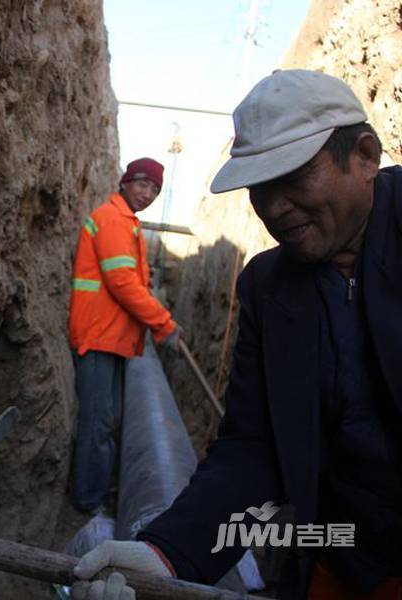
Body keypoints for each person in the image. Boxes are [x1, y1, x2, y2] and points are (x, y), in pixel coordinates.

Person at [71, 69, 402, 600]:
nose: (273, 207)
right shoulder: (271, 287)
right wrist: (166, 552)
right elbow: (256, 446)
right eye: (259, 187)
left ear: (364, 156)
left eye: (293, 176)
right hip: (340, 563)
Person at [68, 157, 181, 513]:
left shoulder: (126, 222)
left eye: (154, 189)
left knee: (107, 420)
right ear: (125, 182)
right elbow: (123, 284)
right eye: (142, 184)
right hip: (99, 337)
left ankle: (97, 491)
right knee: (99, 423)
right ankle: (88, 500)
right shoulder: (114, 220)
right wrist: (164, 324)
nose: (147, 194)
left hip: (109, 337)